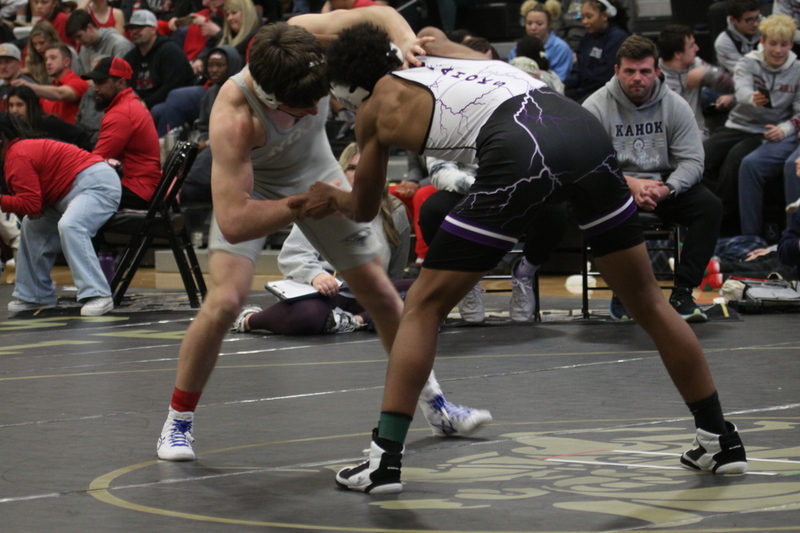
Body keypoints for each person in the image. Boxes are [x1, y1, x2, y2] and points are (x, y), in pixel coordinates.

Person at [295, 22, 748, 494]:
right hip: (582, 131)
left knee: (423, 308)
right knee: (649, 302)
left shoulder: (374, 107)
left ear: (348, 89)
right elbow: (424, 30)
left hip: (521, 149)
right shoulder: (442, 51)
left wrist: (331, 195)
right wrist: (405, 37)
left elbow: (364, 207)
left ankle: (383, 461)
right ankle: (719, 438)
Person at [154, 8, 492, 463]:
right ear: (271, 97)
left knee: (380, 292)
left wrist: (406, 40)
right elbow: (234, 221)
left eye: (318, 98)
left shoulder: (303, 37)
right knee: (225, 301)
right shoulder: (234, 117)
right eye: (302, 107)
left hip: (315, 169)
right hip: (257, 190)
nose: (316, 111)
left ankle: (435, 405)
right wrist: (298, 205)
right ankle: (177, 422)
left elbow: (380, 13)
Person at [583, 35, 722, 322]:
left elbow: (693, 161)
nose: (638, 78)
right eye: (630, 71)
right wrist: (630, 184)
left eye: (645, 71)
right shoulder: (595, 107)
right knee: (601, 205)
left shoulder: (675, 105)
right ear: (616, 71)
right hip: (615, 188)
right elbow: (586, 164)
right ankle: (624, 293)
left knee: (709, 207)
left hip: (661, 186)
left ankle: (682, 293)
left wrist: (668, 189)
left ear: (657, 72)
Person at [233, 143, 415, 335]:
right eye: (352, 168)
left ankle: (354, 321)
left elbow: (395, 272)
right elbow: (292, 255)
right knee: (308, 315)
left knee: (415, 290)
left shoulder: (396, 211)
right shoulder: (322, 203)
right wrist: (316, 275)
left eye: (366, 168)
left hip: (369, 297)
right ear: (341, 171)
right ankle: (249, 319)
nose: (359, 174)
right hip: (325, 294)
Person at [0, 112, 120, 316]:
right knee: (31, 226)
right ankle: (35, 295)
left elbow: (30, 203)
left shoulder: (17, 155)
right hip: (65, 194)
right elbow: (33, 205)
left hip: (97, 184)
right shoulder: (15, 153)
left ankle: (99, 294)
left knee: (71, 225)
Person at [703, 14, 800, 237]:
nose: (778, 50)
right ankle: (711, 216)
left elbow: (798, 110)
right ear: (762, 42)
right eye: (773, 44)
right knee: (702, 159)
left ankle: (730, 228)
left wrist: (785, 129)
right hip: (738, 124)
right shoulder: (748, 62)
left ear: (791, 45)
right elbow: (741, 89)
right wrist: (751, 98)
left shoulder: (797, 70)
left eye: (783, 44)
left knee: (737, 162)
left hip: (767, 130)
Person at [82, 57, 162, 210]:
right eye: (95, 83)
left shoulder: (121, 114)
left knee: (71, 196)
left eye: (101, 83)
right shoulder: (129, 104)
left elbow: (95, 162)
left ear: (121, 83)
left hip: (137, 190)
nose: (95, 88)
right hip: (143, 186)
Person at [179, 45, 243, 205]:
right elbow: (203, 126)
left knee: (191, 183)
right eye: (210, 65)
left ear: (232, 66)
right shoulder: (210, 94)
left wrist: (207, 144)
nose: (213, 70)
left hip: (231, 148)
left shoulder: (241, 94)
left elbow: (236, 131)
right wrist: (203, 143)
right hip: (210, 147)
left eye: (219, 65)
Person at [658, 25, 734, 141]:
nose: (697, 48)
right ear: (678, 54)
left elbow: (732, 85)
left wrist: (706, 72)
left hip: (696, 133)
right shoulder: (654, 75)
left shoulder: (696, 65)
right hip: (665, 137)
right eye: (692, 46)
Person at [123, 9, 196, 111]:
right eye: (131, 28)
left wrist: (144, 104)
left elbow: (172, 86)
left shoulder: (170, 51)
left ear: (153, 29)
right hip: (142, 104)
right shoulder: (130, 57)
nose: (133, 32)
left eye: (139, 28)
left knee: (158, 110)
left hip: (173, 102)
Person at [563, 0, 628, 102]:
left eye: (589, 17)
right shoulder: (588, 37)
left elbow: (605, 76)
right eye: (583, 17)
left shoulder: (617, 38)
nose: (584, 21)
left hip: (602, 92)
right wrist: (565, 84)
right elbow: (579, 69)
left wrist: (580, 92)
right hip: (584, 89)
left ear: (604, 16)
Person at [12, 43, 88, 124]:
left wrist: (28, 86)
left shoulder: (79, 82)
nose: (48, 62)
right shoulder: (47, 89)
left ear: (67, 62)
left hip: (72, 134)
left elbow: (60, 93)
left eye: (53, 58)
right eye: (46, 59)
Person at [7, 85, 93, 149]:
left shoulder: (49, 123)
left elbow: (82, 137)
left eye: (19, 105)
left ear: (31, 105)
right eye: (11, 105)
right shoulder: (10, 128)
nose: (14, 110)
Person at [508, 0, 572, 82]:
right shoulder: (517, 48)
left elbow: (559, 81)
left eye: (539, 24)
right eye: (529, 23)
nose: (533, 28)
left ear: (549, 24)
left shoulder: (561, 48)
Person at [66, 9, 134, 76]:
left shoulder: (119, 44)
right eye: (75, 38)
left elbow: (120, 78)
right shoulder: (84, 49)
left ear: (90, 27)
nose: (77, 42)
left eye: (79, 36)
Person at [714, 0, 762, 76]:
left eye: (757, 18)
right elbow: (744, 72)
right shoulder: (723, 43)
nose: (756, 24)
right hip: (736, 83)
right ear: (732, 19)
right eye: (749, 20)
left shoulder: (766, 27)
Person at [0, 44, 37, 109]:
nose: (3, 67)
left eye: (7, 62)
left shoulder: (27, 84)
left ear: (19, 63)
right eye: (0, 62)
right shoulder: (1, 85)